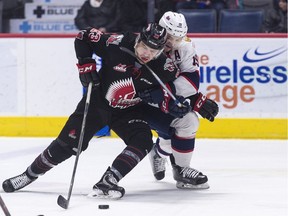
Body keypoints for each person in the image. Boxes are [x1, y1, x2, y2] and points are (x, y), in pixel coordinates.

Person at [2, 23, 191, 199]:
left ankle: (108, 181)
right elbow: (84, 35)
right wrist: (85, 63)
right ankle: (28, 175)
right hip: (97, 104)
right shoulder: (118, 43)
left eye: (153, 51)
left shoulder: (165, 67)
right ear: (138, 39)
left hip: (129, 111)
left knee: (142, 141)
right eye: (144, 48)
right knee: (68, 145)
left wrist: (166, 99)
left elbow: (174, 89)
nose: (147, 54)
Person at [138, 11, 219, 189]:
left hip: (165, 101)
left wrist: (190, 97)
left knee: (186, 123)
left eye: (178, 38)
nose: (173, 43)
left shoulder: (186, 48)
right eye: (171, 37)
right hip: (140, 104)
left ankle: (178, 168)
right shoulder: (144, 43)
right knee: (173, 129)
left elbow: (191, 82)